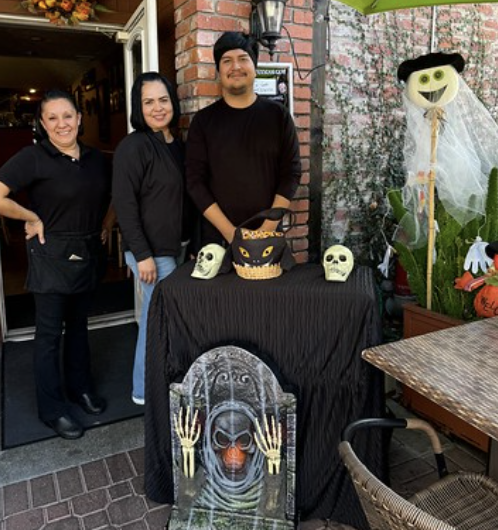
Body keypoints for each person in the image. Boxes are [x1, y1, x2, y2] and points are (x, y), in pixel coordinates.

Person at [0, 90, 112, 440]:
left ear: (79, 118)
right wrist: (30, 216)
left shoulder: (95, 158)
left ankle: (80, 388)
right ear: (43, 124)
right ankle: (52, 410)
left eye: (67, 116)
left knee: (78, 326)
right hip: (50, 255)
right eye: (52, 118)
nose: (62, 124)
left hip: (86, 251)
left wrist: (107, 223)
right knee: (49, 336)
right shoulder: (33, 157)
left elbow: (114, 195)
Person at [112, 72, 187, 406]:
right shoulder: (133, 146)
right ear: (138, 107)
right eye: (148, 102)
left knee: (167, 319)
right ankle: (144, 391)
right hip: (151, 253)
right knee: (157, 321)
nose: (158, 108)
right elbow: (124, 204)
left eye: (163, 99)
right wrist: (142, 254)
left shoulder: (177, 145)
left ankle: (166, 383)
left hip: (178, 247)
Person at [186, 31, 302, 246]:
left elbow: (291, 174)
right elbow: (195, 182)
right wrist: (231, 233)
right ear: (218, 71)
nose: (235, 67)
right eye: (227, 61)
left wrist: (266, 229)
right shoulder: (203, 122)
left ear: (255, 66)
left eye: (243, 58)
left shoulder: (278, 116)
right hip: (218, 241)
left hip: (267, 239)